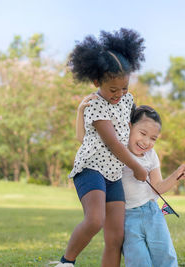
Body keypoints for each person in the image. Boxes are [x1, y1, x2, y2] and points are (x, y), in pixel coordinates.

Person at [53, 28, 148, 267]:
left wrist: (143, 153)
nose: (119, 94)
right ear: (97, 82)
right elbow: (114, 143)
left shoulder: (127, 99)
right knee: (95, 220)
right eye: (112, 90)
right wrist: (136, 166)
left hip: (114, 173)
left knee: (116, 235)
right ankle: (66, 262)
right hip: (91, 168)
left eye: (124, 87)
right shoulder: (95, 105)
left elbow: (127, 132)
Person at [76, 104, 185, 266]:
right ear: (129, 127)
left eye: (153, 138)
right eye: (143, 133)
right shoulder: (115, 150)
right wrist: (81, 111)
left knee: (165, 256)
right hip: (126, 218)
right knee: (137, 260)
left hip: (152, 213)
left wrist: (176, 175)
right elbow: (83, 139)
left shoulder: (151, 155)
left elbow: (157, 187)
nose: (146, 142)